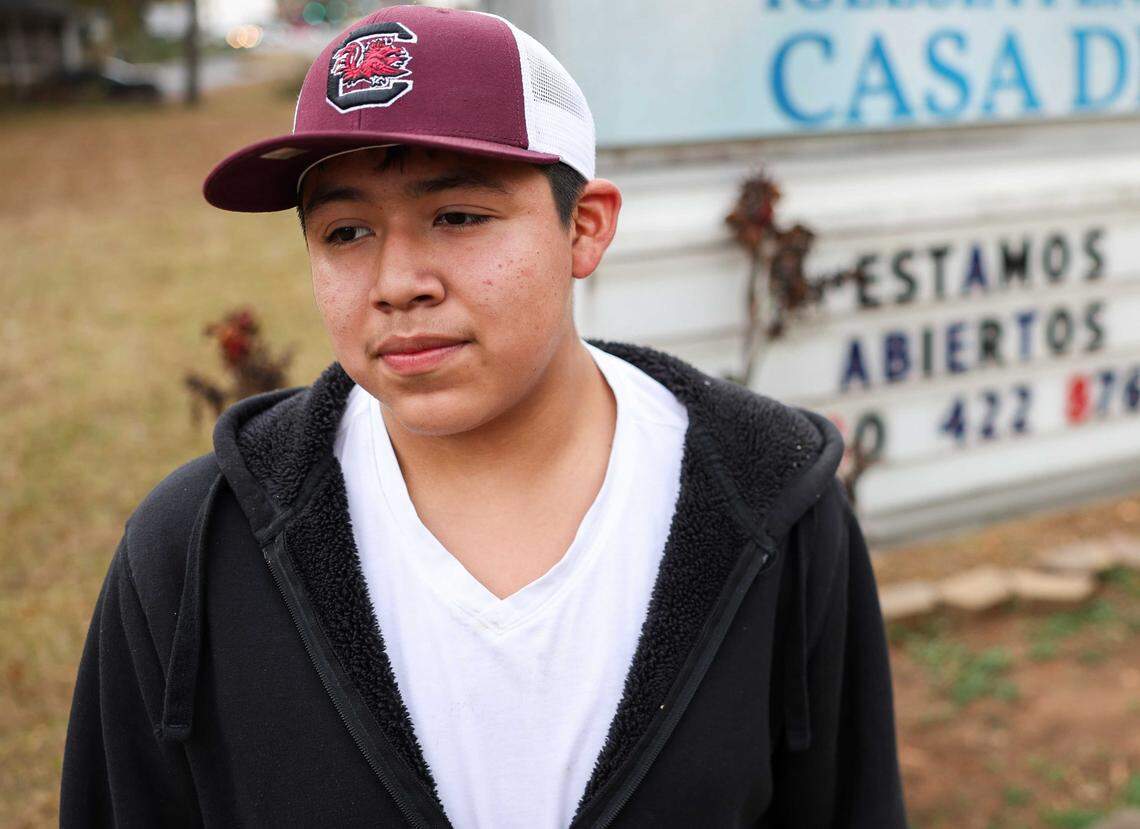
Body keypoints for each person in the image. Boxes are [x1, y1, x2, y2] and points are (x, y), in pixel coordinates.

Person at [60, 5, 908, 827]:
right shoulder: (195, 550)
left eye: (458, 216)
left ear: (585, 226)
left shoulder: (770, 505)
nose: (397, 281)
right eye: (346, 232)